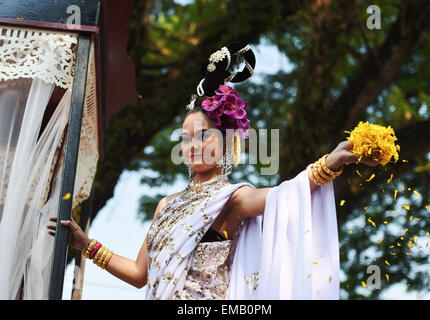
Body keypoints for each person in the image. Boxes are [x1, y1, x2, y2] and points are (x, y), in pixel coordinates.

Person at [47, 42, 379, 300]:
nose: (192, 145)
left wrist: (330, 164)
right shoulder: (167, 205)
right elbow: (138, 274)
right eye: (185, 138)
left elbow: (284, 196)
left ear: (226, 143)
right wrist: (85, 244)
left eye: (203, 136)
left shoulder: (232, 200)